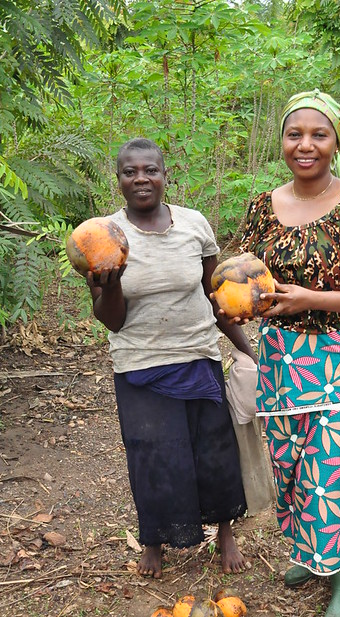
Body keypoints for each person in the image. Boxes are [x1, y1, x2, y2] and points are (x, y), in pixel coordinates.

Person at [237, 90, 340, 617]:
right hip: (281, 356)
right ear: (282, 141)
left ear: (336, 142)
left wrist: (311, 299)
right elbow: (244, 278)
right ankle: (312, 552)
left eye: (318, 134)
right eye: (294, 134)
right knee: (292, 462)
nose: (305, 145)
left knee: (333, 468)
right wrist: (230, 297)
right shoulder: (262, 206)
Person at [86, 137, 256, 578]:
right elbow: (112, 320)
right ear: (119, 181)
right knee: (152, 454)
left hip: (198, 356)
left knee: (214, 449)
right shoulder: (103, 237)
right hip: (140, 364)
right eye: (130, 172)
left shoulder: (194, 225)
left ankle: (224, 533)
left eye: (150, 170)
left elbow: (215, 294)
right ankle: (155, 540)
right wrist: (114, 281)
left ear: (165, 175)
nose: (141, 178)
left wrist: (249, 351)